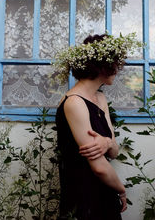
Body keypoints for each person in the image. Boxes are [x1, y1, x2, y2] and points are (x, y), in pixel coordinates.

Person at [54, 33, 141, 219]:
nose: (117, 70)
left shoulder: (100, 98)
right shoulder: (74, 102)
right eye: (115, 64)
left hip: (104, 189)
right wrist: (122, 190)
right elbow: (99, 166)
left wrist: (108, 142)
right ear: (103, 66)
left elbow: (114, 151)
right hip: (84, 194)